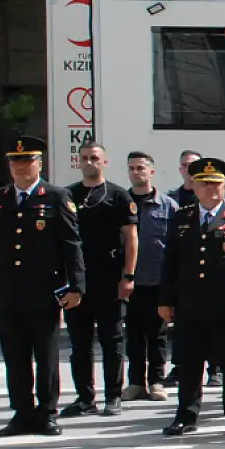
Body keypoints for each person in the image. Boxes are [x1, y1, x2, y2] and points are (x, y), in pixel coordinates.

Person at [0, 136, 85, 437]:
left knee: (45, 355)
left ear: (39, 164)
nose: (20, 167)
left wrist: (76, 286)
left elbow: (71, 243)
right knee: (14, 356)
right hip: (8, 291)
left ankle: (46, 412)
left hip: (43, 291)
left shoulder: (55, 196)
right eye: (15, 161)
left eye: (26, 161)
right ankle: (22, 412)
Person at [159, 159, 225, 436]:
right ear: (194, 187)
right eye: (205, 184)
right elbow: (170, 262)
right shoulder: (182, 218)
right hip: (190, 303)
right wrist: (165, 299)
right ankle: (186, 416)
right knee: (189, 363)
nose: (211, 189)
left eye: (216, 184)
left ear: (224, 186)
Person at [62, 142, 138, 418]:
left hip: (110, 279)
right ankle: (84, 397)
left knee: (112, 339)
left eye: (94, 158)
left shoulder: (117, 195)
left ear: (104, 162)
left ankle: (113, 396)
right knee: (79, 342)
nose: (89, 162)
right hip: (78, 282)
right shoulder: (68, 195)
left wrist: (128, 276)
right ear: (78, 162)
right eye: (84, 158)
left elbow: (131, 239)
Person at [122, 152, 176, 402]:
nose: (136, 172)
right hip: (130, 281)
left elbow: (176, 246)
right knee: (132, 334)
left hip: (158, 280)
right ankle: (135, 382)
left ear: (151, 172)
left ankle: (156, 380)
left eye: (141, 168)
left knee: (158, 335)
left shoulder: (167, 205)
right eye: (132, 168)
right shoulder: (121, 202)